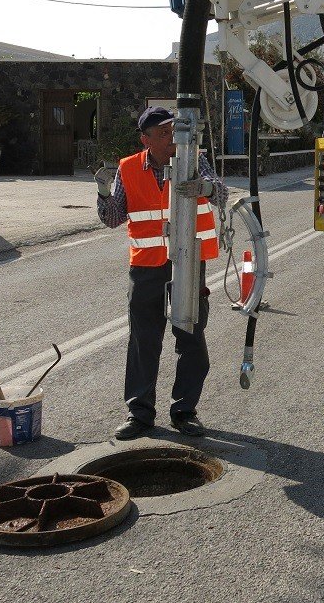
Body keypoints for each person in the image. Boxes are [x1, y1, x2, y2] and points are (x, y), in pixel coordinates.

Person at [95, 106, 228, 440]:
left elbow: (220, 192)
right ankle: (139, 415)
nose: (172, 139)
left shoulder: (193, 159)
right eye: (165, 133)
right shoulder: (128, 168)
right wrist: (101, 192)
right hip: (146, 268)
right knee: (143, 340)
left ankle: (185, 411)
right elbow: (113, 218)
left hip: (188, 262)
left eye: (174, 132)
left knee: (192, 338)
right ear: (146, 139)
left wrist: (205, 189)